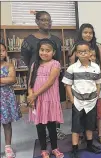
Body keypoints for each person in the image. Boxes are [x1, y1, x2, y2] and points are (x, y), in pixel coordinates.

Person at [21, 10, 66, 140]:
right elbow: (25, 59)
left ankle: (55, 130)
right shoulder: (29, 40)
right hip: (36, 77)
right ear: (37, 22)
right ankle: (42, 130)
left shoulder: (56, 40)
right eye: (43, 20)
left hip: (53, 76)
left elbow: (58, 59)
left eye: (49, 20)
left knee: (53, 103)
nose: (47, 22)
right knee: (39, 103)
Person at [62, 41, 101, 158]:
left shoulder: (95, 67)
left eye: (85, 51)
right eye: (79, 52)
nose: (83, 54)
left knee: (90, 125)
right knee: (76, 127)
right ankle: (74, 149)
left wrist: (96, 95)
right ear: (76, 53)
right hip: (78, 102)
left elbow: (98, 82)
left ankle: (89, 145)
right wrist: (72, 99)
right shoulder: (72, 68)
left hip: (91, 102)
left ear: (90, 52)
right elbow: (67, 85)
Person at [27, 39, 64, 158]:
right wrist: (30, 95)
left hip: (50, 99)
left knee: (52, 125)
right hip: (38, 100)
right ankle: (43, 150)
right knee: (40, 126)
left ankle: (54, 148)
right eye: (42, 50)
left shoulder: (55, 64)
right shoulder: (34, 64)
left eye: (48, 50)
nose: (44, 53)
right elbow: (30, 82)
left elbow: (50, 82)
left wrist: (34, 95)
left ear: (53, 52)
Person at [69, 23, 101, 145]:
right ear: (81, 33)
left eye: (90, 32)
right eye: (85, 32)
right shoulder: (75, 48)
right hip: (80, 87)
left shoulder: (98, 47)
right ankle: (80, 135)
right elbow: (71, 65)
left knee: (97, 112)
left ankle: (100, 134)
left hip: (94, 84)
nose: (88, 35)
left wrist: (100, 81)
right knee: (79, 113)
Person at [0, 42, 21, 158]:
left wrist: (7, 80)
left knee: (7, 124)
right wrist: (4, 79)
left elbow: (13, 79)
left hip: (6, 98)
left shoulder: (9, 65)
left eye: (2, 50)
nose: (0, 53)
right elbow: (7, 79)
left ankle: (8, 147)